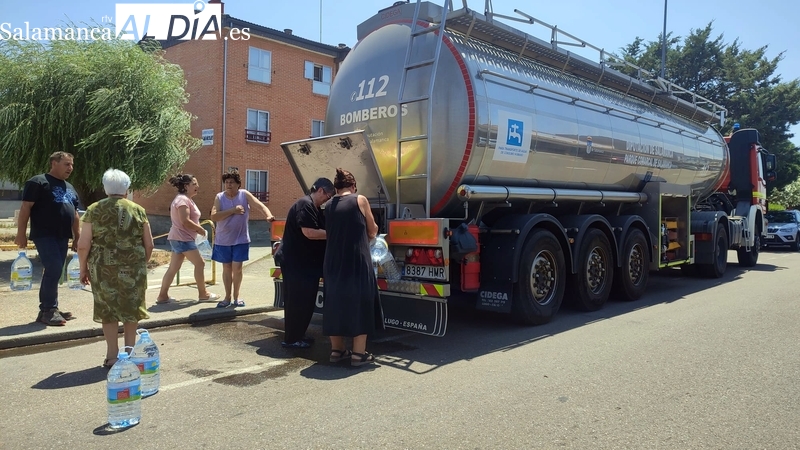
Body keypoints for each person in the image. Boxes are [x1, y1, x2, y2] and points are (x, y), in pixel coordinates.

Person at [76, 169, 154, 368]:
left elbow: (83, 244)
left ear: (104, 187)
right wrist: (140, 264)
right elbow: (150, 244)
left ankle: (112, 356)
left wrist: (83, 268)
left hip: (102, 269)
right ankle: (130, 353)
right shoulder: (138, 210)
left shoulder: (94, 209)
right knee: (131, 310)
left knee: (107, 309)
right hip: (134, 267)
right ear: (127, 188)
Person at [322, 168, 384, 366]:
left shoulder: (328, 205)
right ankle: (359, 354)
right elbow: (372, 230)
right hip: (356, 260)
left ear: (336, 188)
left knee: (335, 303)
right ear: (353, 186)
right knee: (360, 302)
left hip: (332, 261)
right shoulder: (360, 200)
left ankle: (337, 351)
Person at [15, 152, 80, 326]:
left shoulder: (70, 187)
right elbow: (25, 208)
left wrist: (77, 237)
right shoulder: (38, 182)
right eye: (67, 164)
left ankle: (51, 308)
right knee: (54, 267)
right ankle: (48, 310)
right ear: (54, 163)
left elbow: (74, 214)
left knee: (56, 271)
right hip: (44, 234)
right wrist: (21, 233)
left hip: (62, 235)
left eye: (72, 165)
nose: (70, 168)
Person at [278, 177, 335, 349]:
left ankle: (299, 334)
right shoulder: (305, 205)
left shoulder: (314, 207)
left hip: (305, 264)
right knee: (297, 301)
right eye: (328, 195)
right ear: (320, 190)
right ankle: (292, 339)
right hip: (297, 263)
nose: (328, 199)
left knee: (306, 301)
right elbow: (309, 232)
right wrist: (334, 234)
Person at [209, 169, 276, 308]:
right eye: (226, 182)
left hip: (241, 239)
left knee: (237, 268)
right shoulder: (219, 197)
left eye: (232, 182)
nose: (229, 185)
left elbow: (260, 205)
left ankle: (236, 296)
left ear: (238, 184)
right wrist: (233, 210)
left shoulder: (244, 195)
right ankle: (227, 297)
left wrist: (268, 216)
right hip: (223, 240)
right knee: (226, 268)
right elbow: (214, 216)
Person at [156, 174, 219, 303]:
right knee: (200, 263)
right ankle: (203, 294)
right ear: (186, 186)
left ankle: (163, 296)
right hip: (183, 238)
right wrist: (199, 229)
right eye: (194, 184)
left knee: (173, 268)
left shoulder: (185, 199)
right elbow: (185, 220)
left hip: (180, 238)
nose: (197, 186)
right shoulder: (182, 200)